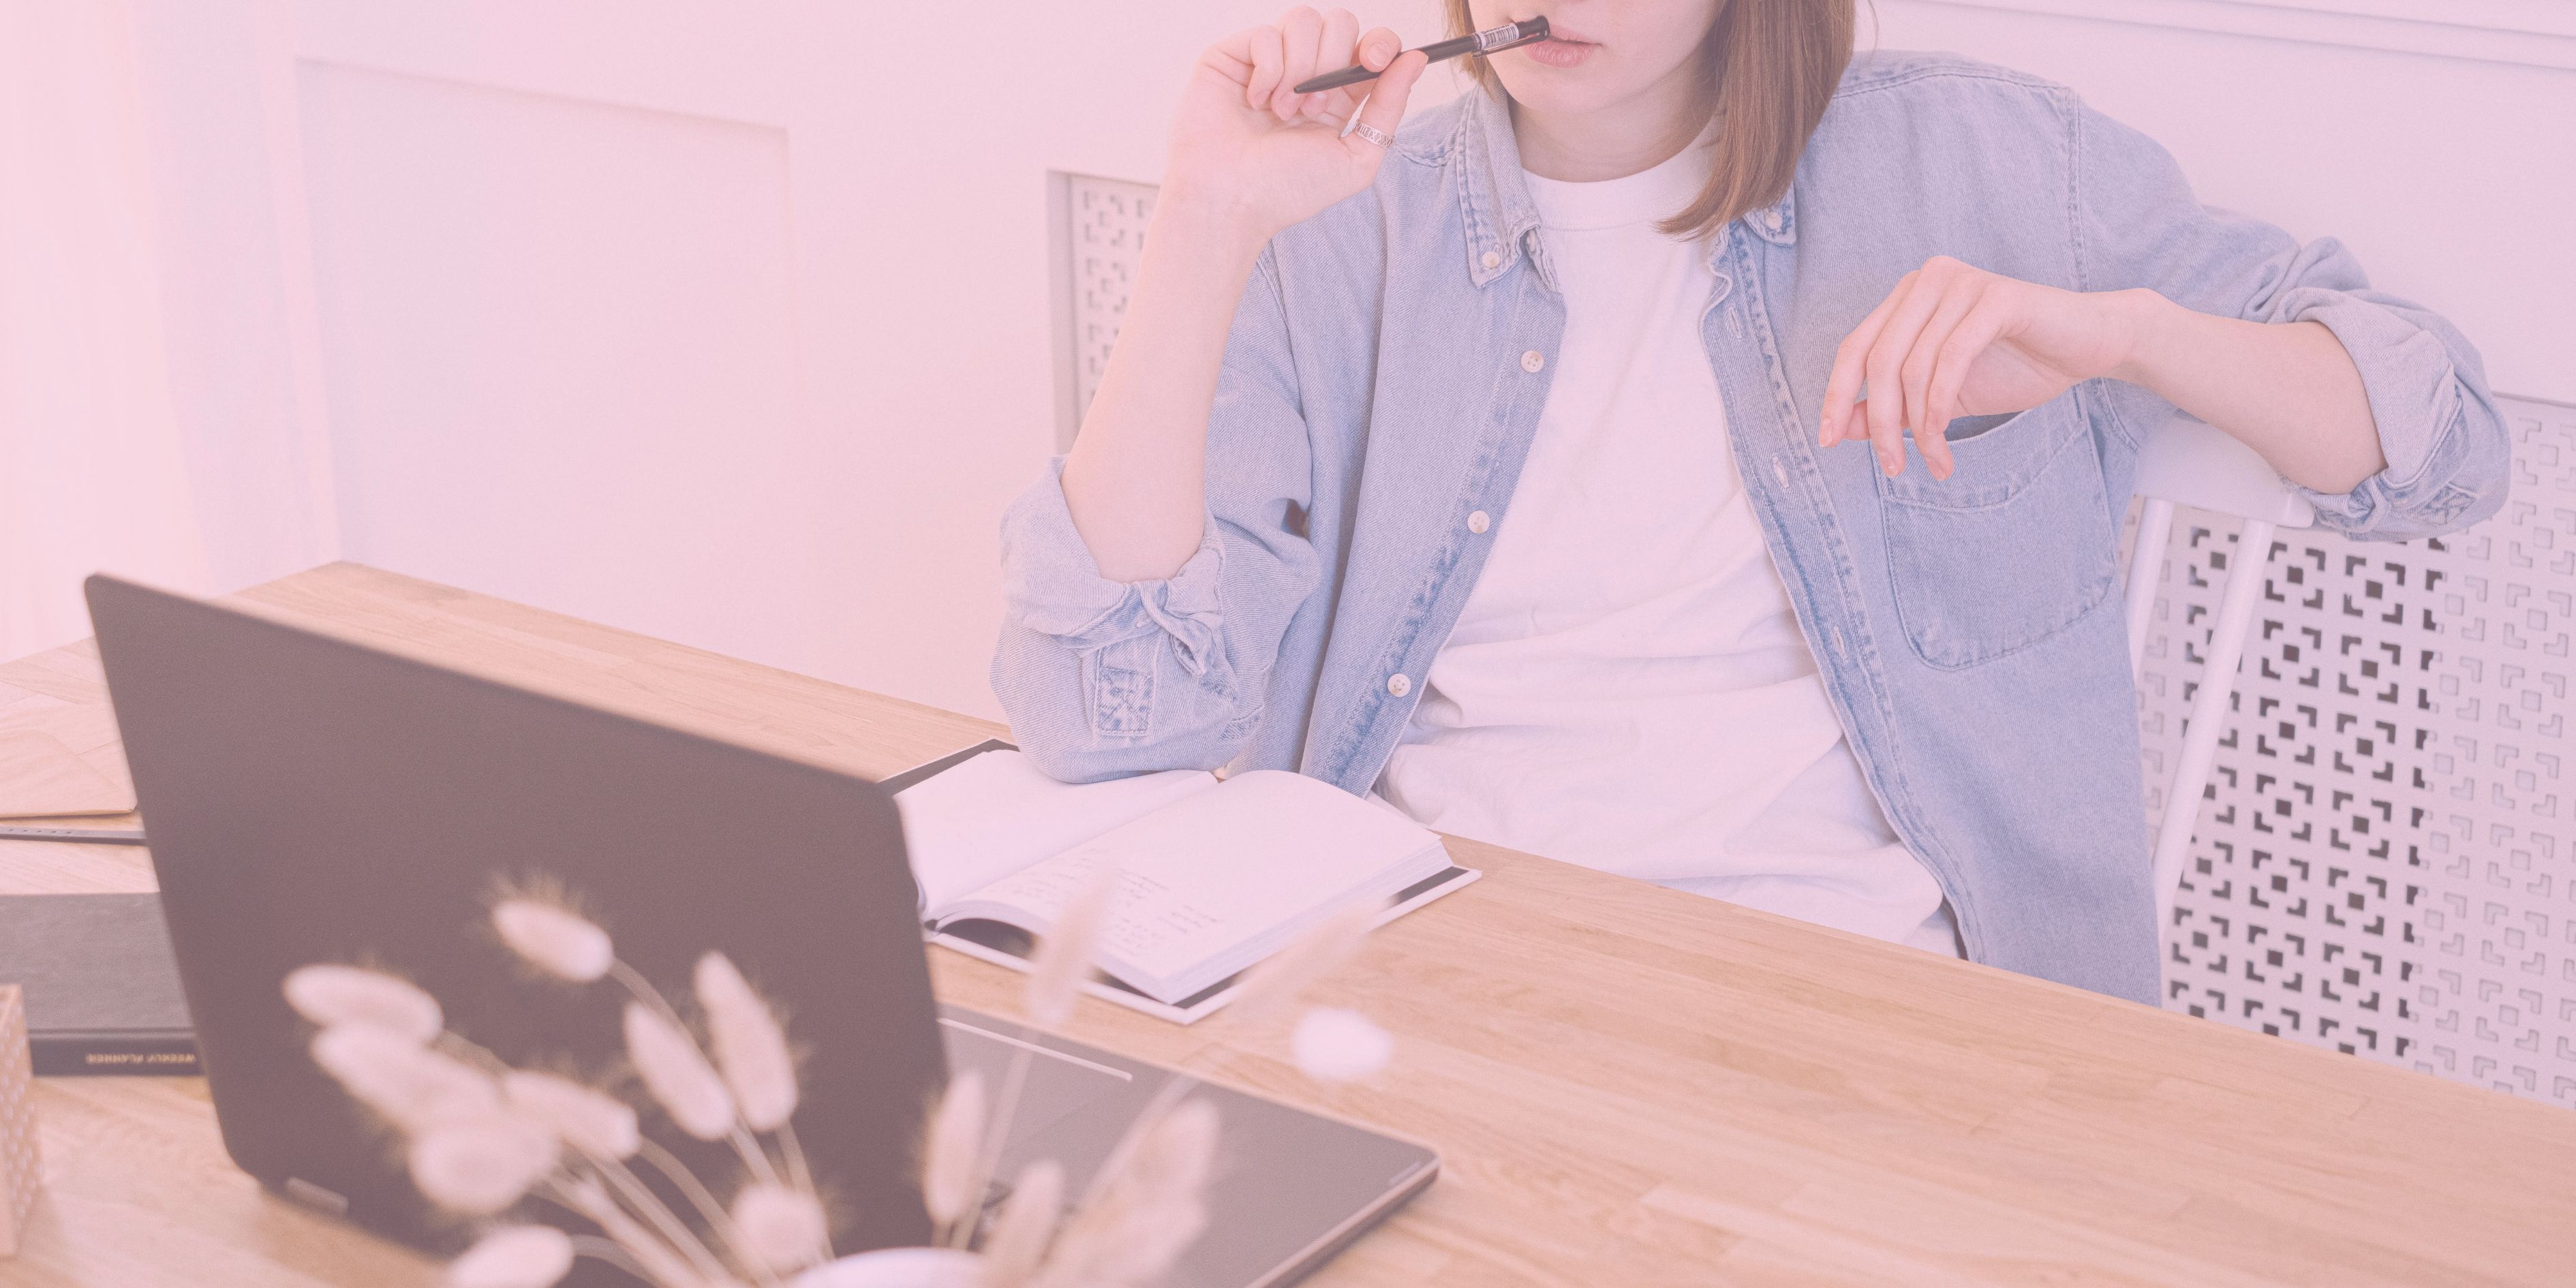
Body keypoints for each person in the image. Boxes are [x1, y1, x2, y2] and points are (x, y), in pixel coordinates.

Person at [989, 1, 2507, 1003]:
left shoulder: (1981, 158)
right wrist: (1204, 217)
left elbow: (2440, 439)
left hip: (1856, 1005)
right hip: (1432, 974)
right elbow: (1109, 716)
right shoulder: (1348, 224)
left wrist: (2127, 332)